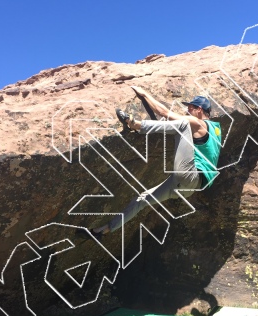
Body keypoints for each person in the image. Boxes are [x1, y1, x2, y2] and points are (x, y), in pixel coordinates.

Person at [77, 86, 221, 241]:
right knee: (141, 200)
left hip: (190, 175)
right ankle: (102, 231)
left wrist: (145, 94)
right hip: (188, 188)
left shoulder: (198, 123)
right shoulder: (217, 130)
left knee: (183, 125)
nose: (187, 111)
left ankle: (136, 125)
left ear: (199, 110)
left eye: (190, 108)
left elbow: (164, 113)